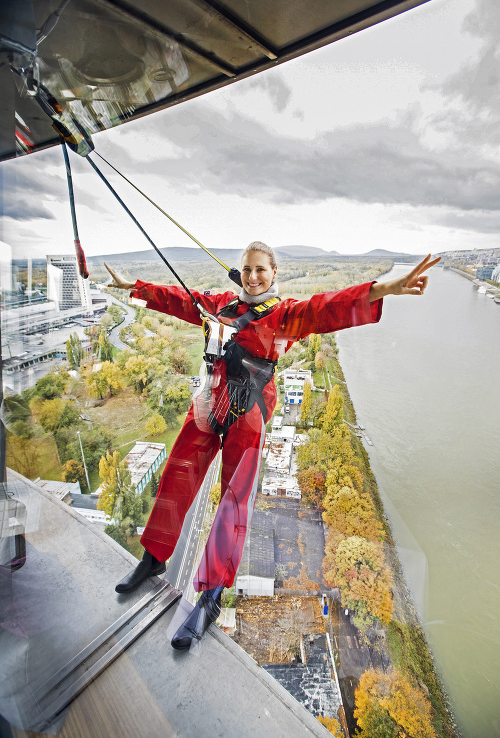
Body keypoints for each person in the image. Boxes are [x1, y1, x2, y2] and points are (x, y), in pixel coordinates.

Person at [105, 243, 440, 650]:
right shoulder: (221, 305)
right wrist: (134, 287)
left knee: (233, 499)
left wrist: (385, 288)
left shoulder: (285, 316)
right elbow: (182, 300)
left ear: (274, 272)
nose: (253, 277)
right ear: (239, 271)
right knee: (178, 470)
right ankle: (154, 558)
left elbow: (328, 307)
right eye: (247, 269)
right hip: (211, 401)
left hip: (248, 414)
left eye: (261, 270)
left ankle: (210, 596)